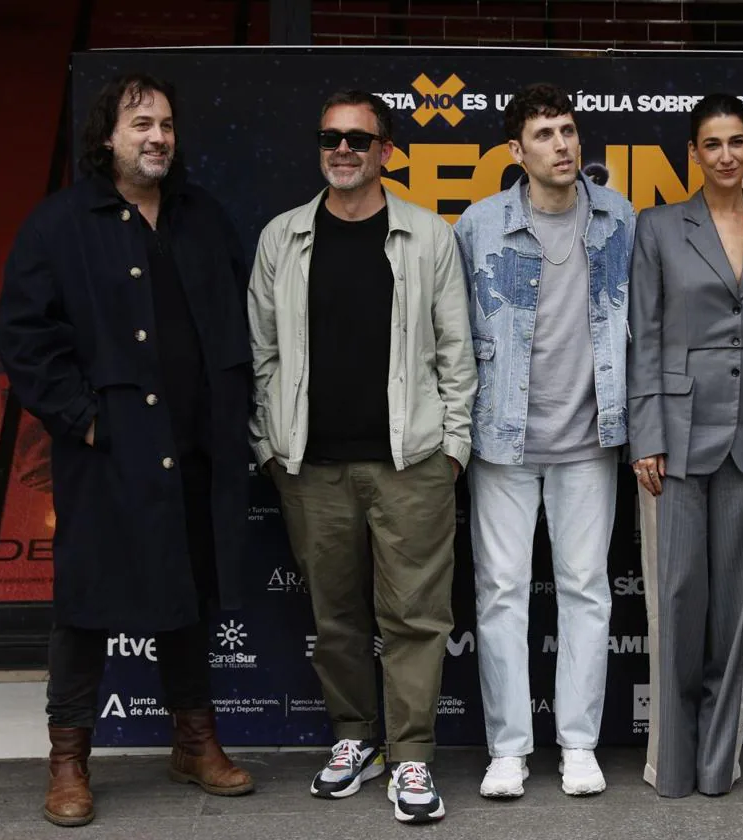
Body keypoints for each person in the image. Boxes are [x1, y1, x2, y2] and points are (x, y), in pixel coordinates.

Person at [0, 73, 255, 827]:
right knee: (85, 605)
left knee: (186, 593)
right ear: (107, 136)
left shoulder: (202, 217)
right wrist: (85, 421)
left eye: (167, 124)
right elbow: (23, 337)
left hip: (196, 447)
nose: (158, 138)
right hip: (104, 453)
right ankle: (68, 761)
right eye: (141, 123)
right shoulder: (59, 224)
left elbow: (238, 324)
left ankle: (194, 741)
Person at [248, 89, 475, 824]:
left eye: (358, 138)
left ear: (386, 152)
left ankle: (411, 757)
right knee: (337, 617)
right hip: (310, 466)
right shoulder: (282, 237)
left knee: (414, 617)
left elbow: (456, 353)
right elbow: (261, 356)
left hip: (411, 464)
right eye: (330, 137)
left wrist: (455, 448)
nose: (341, 149)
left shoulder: (427, 236)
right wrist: (269, 446)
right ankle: (355, 739)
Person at [453, 82, 636, 799]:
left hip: (591, 438)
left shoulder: (620, 220)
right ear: (515, 151)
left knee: (586, 591)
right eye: (544, 135)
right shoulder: (478, 226)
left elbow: (642, 327)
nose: (562, 145)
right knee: (500, 593)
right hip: (502, 440)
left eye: (567, 130)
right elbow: (454, 334)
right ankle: (508, 749)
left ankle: (579, 744)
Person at [628, 93, 743, 798]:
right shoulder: (659, 227)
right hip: (673, 436)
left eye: (737, 141)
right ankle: (671, 764)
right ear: (692, 154)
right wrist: (645, 432)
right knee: (675, 600)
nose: (726, 154)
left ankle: (718, 763)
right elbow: (642, 332)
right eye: (712, 143)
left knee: (737, 611)